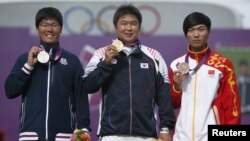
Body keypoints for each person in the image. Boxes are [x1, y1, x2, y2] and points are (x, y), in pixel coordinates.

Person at [82, 4, 176, 141]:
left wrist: (165, 128)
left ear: (139, 27)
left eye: (133, 23)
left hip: (146, 135)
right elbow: (88, 86)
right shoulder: (101, 54)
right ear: (116, 27)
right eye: (124, 23)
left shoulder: (154, 56)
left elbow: (164, 96)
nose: (128, 28)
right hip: (111, 135)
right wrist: (106, 63)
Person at [4, 7, 91, 141]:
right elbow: (10, 91)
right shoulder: (25, 59)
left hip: (63, 137)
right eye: (44, 25)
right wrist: (28, 66)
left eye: (54, 25)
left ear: (61, 29)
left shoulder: (72, 61)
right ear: (38, 28)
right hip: (30, 136)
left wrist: (84, 129)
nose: (49, 29)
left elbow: (81, 98)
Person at [168, 12, 241, 141]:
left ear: (209, 32)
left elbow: (232, 104)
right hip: (181, 136)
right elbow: (173, 104)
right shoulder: (176, 65)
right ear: (186, 34)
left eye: (201, 29)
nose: (196, 34)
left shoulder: (223, 64)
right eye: (191, 30)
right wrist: (177, 86)